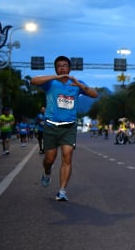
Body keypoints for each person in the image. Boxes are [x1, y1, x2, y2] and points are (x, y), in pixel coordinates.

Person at [30, 56, 98, 201]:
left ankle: (62, 191)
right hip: (51, 126)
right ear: (56, 69)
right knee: (49, 159)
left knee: (67, 157)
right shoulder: (51, 83)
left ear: (70, 68)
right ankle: (47, 172)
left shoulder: (76, 84)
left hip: (69, 126)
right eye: (59, 66)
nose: (62, 68)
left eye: (65, 66)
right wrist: (55, 77)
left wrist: (80, 85)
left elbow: (94, 94)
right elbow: (33, 81)